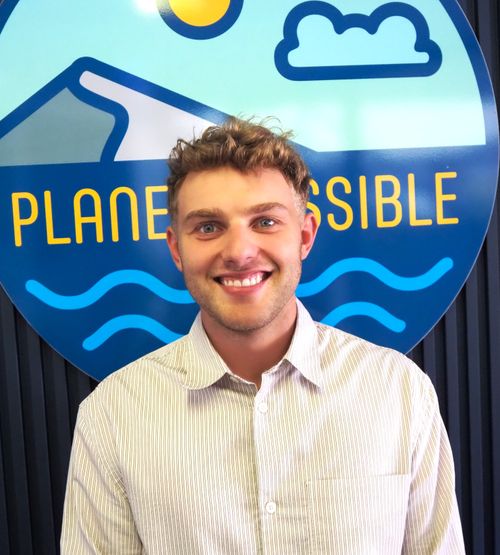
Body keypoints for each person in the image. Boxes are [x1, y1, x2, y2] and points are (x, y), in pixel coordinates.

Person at [61, 117, 465, 554]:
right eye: (208, 227)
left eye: (266, 222)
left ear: (305, 236)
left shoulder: (399, 393)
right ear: (176, 249)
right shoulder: (113, 417)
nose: (239, 252)